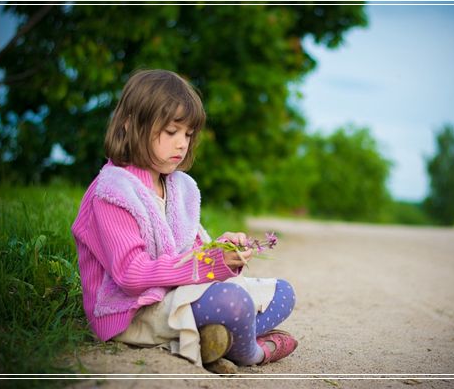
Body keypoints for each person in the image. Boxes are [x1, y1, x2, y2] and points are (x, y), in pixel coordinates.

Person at [71, 69, 297, 369]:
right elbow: (131, 275)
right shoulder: (113, 191)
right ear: (130, 124)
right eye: (171, 132)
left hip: (174, 295)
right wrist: (209, 265)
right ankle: (252, 352)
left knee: (282, 292)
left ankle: (215, 340)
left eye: (188, 134)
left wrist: (221, 250)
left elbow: (189, 253)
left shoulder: (178, 186)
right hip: (132, 311)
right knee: (234, 302)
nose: (182, 144)